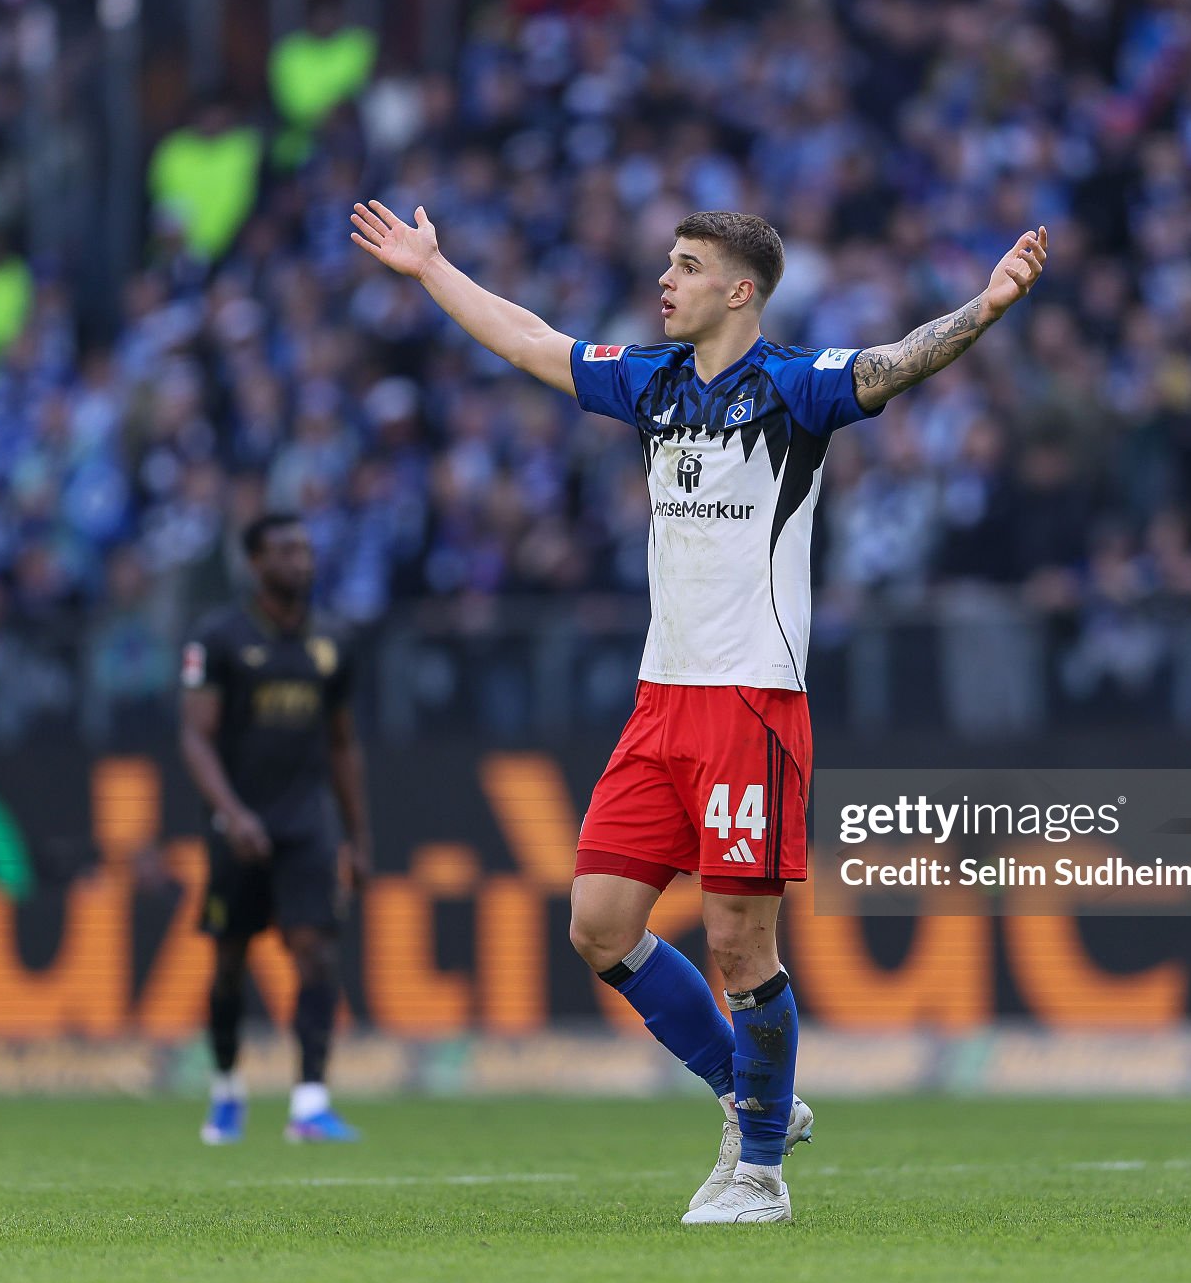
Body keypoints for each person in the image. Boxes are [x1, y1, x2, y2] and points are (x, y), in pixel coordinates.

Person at [351, 199, 1046, 1222]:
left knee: (738, 942)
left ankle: (759, 1172)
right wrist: (431, 270)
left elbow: (893, 362)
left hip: (750, 700)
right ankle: (753, 1092)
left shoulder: (795, 388)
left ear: (739, 289)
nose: (664, 281)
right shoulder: (653, 381)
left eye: (685, 266)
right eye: (667, 263)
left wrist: (982, 309)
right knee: (597, 926)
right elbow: (532, 341)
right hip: (660, 699)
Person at [179, 513, 371, 1144]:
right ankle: (227, 1090)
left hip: (307, 821)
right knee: (230, 961)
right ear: (255, 562)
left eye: (306, 550)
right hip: (238, 822)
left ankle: (310, 1103)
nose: (301, 561)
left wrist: (357, 837)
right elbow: (196, 737)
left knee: (317, 953)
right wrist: (233, 814)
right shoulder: (220, 638)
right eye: (286, 551)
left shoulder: (333, 641)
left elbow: (342, 745)